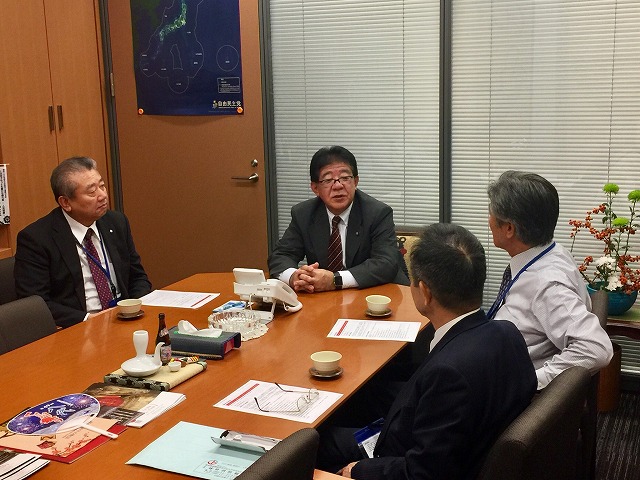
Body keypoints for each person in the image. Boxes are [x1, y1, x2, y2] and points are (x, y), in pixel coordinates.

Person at [316, 223, 536, 479]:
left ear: (425, 292)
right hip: (455, 441)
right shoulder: (508, 333)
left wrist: (359, 469)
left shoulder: (448, 375)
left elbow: (423, 473)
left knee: (313, 442)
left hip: (402, 456)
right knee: (363, 399)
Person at [487, 170, 613, 389]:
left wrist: (529, 382)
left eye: (491, 213)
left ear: (509, 228)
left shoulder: (546, 283)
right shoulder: (552, 251)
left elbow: (596, 349)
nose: (488, 220)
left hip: (505, 385)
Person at [14, 156, 152, 328]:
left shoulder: (116, 222)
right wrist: (89, 320)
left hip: (125, 320)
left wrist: (135, 307)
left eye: (102, 186)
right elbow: (36, 304)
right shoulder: (37, 239)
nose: (103, 195)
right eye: (92, 192)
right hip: (78, 326)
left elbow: (138, 276)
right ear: (65, 202)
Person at [268, 146, 408, 293]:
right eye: (328, 180)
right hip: (325, 298)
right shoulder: (304, 214)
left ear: (356, 181)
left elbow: (386, 263)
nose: (338, 186)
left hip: (375, 294)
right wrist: (294, 277)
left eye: (345, 178)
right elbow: (281, 255)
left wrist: (336, 280)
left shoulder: (378, 213)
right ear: (315, 188)